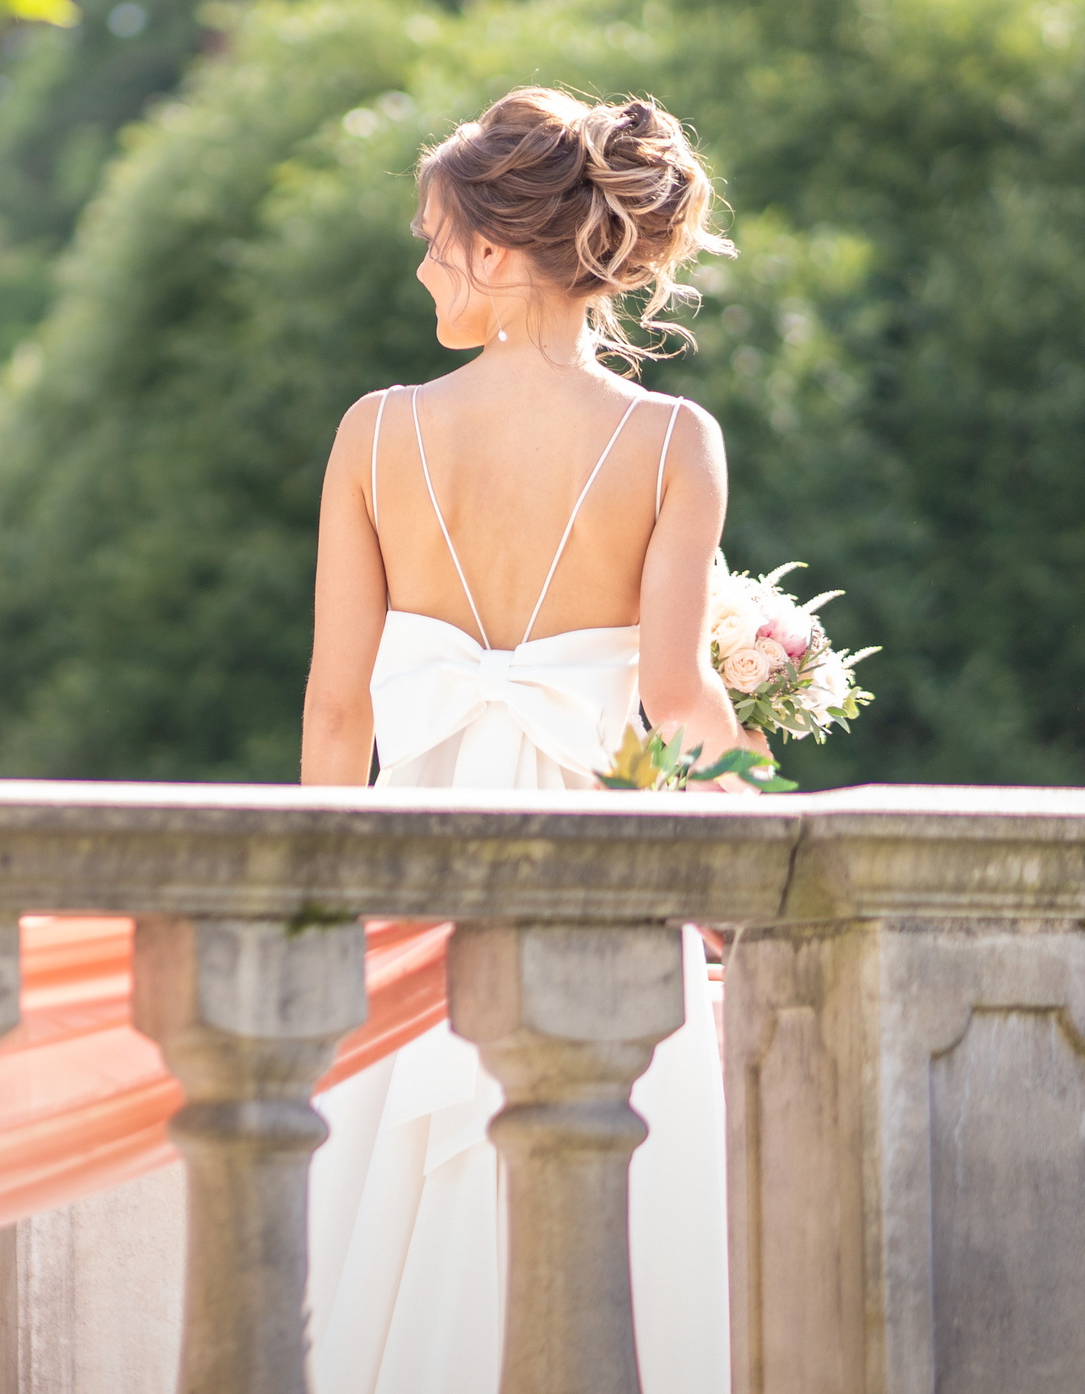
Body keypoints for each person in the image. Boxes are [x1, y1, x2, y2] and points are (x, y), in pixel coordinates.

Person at [298, 85, 750, 1393]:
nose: (425, 262)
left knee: (384, 1247)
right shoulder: (675, 441)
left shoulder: (375, 434)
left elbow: (337, 713)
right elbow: (681, 704)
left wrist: (312, 924)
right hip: (607, 896)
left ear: (498, 253)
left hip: (410, 901)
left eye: (437, 237)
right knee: (622, 1256)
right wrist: (778, 853)